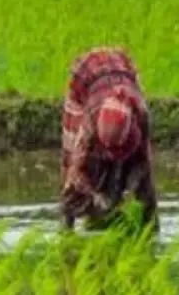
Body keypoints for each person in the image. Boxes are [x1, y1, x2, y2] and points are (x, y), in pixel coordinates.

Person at [60, 47, 157, 233]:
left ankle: (150, 227)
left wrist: (131, 187)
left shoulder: (140, 114)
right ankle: (66, 226)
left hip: (121, 70)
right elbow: (75, 171)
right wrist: (95, 196)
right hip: (87, 78)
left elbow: (145, 161)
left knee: (144, 188)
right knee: (73, 171)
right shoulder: (90, 120)